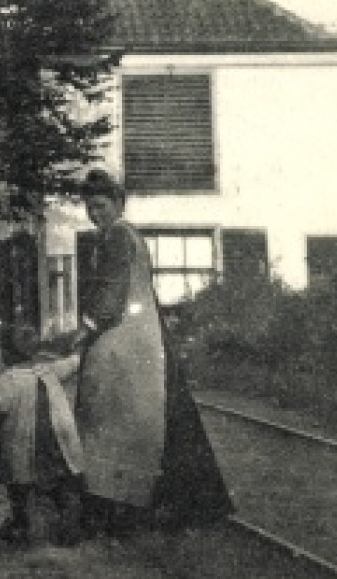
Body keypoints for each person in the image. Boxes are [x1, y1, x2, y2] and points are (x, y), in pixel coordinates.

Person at [73, 168, 234, 533]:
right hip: (148, 336)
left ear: (116, 203)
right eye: (89, 208)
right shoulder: (132, 235)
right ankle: (175, 506)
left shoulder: (115, 236)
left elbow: (113, 293)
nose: (94, 214)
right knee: (162, 418)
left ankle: (113, 506)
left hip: (128, 338)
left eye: (100, 206)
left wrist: (86, 329)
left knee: (109, 414)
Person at [0, 324, 85, 545]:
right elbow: (74, 363)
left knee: (20, 485)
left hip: (26, 441)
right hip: (58, 439)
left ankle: (22, 525)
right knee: (62, 484)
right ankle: (69, 529)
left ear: (8, 353)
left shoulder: (8, 379)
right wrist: (81, 345)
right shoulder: (49, 371)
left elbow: (0, 408)